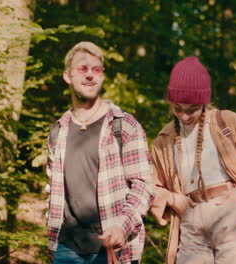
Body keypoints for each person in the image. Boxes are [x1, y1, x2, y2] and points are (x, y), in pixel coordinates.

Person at [150, 56, 236, 264]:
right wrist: (174, 199)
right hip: (191, 221)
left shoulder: (228, 121)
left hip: (232, 213)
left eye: (192, 109)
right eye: (178, 108)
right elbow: (150, 186)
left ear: (204, 102)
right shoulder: (163, 140)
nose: (184, 116)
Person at [46, 41, 155, 264]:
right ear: (68, 76)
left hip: (113, 249)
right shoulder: (58, 131)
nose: (90, 75)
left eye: (96, 70)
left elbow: (144, 185)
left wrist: (123, 226)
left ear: (102, 76)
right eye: (82, 69)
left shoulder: (124, 126)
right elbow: (53, 190)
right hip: (66, 248)